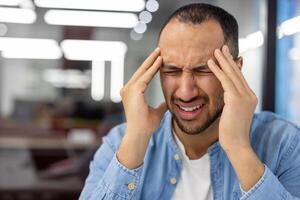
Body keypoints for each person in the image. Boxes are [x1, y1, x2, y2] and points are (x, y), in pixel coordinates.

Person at [79, 3, 300, 200]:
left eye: (204, 70)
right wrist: (136, 140)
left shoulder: (285, 144)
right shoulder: (119, 143)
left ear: (236, 69)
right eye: (172, 70)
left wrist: (239, 149)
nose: (186, 93)